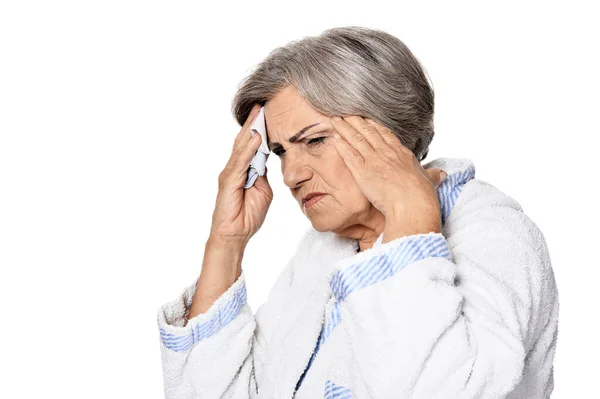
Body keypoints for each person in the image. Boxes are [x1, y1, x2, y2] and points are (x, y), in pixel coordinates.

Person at [156, 26, 559, 398]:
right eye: (280, 152)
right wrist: (226, 243)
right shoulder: (322, 253)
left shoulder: (495, 234)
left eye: (314, 140)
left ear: (388, 133)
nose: (291, 174)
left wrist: (409, 216)